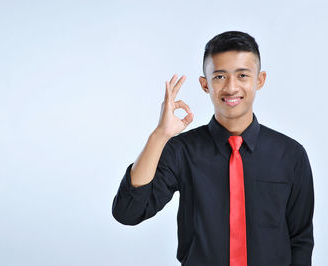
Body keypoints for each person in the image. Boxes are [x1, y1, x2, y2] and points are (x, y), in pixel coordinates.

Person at [112, 31, 314, 266]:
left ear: (259, 80)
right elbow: (128, 213)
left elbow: (300, 239)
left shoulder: (290, 155)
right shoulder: (181, 151)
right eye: (219, 76)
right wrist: (159, 136)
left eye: (242, 75)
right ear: (205, 84)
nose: (231, 87)